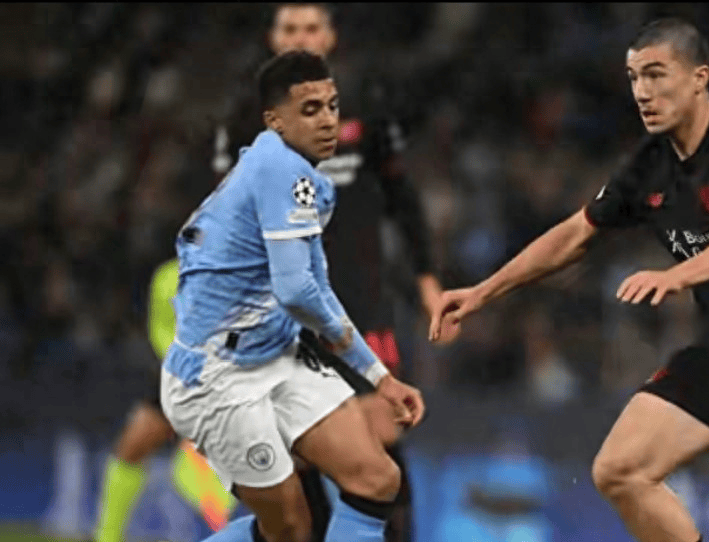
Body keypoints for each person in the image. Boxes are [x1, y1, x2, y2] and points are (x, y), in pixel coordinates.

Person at [430, 18, 709, 542]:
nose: (642, 91)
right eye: (634, 77)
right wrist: (483, 291)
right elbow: (575, 234)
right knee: (619, 471)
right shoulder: (648, 166)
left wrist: (676, 275)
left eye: (656, 74)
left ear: (699, 77)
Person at [162, 50, 425, 542]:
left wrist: (380, 379)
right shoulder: (279, 172)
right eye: (310, 109)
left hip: (276, 356)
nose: (327, 120)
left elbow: (315, 286)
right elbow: (295, 290)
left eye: (332, 106)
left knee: (377, 478)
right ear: (274, 120)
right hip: (218, 376)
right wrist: (376, 373)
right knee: (290, 528)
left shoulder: (307, 181)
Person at [210, 6, 447, 539]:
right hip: (280, 310)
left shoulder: (367, 108)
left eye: (311, 28)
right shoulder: (243, 118)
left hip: (360, 299)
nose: (301, 38)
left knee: (381, 436)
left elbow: (402, 198)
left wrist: (428, 281)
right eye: (290, 28)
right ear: (273, 36)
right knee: (300, 453)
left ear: (331, 36)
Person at [90, 257, 238, 542]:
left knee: (228, 484)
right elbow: (160, 328)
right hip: (177, 375)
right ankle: (107, 537)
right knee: (131, 448)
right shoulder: (168, 277)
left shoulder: (239, 275)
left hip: (227, 380)